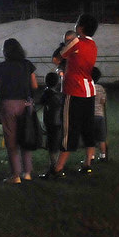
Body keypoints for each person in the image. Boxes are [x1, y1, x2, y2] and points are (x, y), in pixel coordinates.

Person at [42, 14, 98, 178]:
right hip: (89, 90)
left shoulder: (76, 42)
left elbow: (58, 58)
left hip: (74, 90)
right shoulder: (93, 44)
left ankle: (57, 168)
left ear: (81, 27)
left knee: (69, 128)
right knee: (88, 127)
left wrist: (65, 45)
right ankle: (88, 163)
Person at [0, 37, 38, 184]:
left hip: (8, 104)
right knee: (26, 136)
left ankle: (15, 175)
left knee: (11, 140)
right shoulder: (27, 65)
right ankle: (27, 172)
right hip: (26, 104)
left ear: (5, 51)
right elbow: (35, 85)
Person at [39, 71, 64, 173]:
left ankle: (53, 166)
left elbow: (41, 102)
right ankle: (55, 165)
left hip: (50, 123)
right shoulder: (58, 96)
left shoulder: (47, 94)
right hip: (58, 122)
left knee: (52, 145)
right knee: (56, 144)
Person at [91, 66, 108, 162]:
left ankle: (91, 156)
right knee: (102, 138)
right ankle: (103, 155)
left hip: (90, 116)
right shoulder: (101, 88)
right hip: (100, 116)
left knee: (91, 138)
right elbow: (103, 101)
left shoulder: (87, 87)